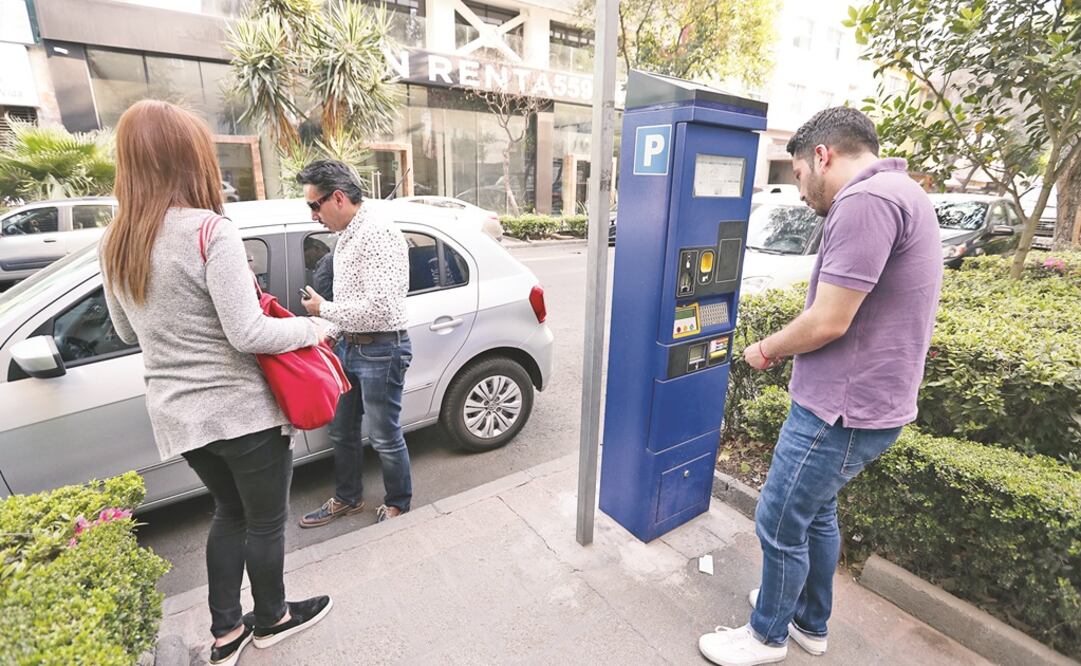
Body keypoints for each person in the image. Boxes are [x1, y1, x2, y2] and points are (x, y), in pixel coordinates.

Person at [698, 107, 943, 666]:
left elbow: (830, 319)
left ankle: (766, 636)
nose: (800, 190)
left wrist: (767, 348)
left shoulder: (865, 201)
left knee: (779, 517)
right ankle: (808, 623)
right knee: (817, 512)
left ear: (822, 156)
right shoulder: (903, 191)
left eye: (797, 174)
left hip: (839, 409)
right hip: (868, 404)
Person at [99, 100, 333, 666]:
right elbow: (248, 333)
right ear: (188, 158)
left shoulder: (116, 240)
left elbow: (127, 331)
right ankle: (272, 619)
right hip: (240, 413)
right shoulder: (209, 230)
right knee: (265, 522)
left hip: (178, 417)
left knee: (229, 513)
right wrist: (315, 327)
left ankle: (226, 633)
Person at [295, 160, 414, 527]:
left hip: (381, 349)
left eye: (314, 205)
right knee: (342, 431)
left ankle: (398, 505)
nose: (313, 216)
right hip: (348, 346)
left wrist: (323, 308)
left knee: (384, 435)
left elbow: (381, 309)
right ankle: (348, 498)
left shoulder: (377, 233)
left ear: (338, 198)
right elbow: (353, 301)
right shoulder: (349, 233)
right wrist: (327, 332)